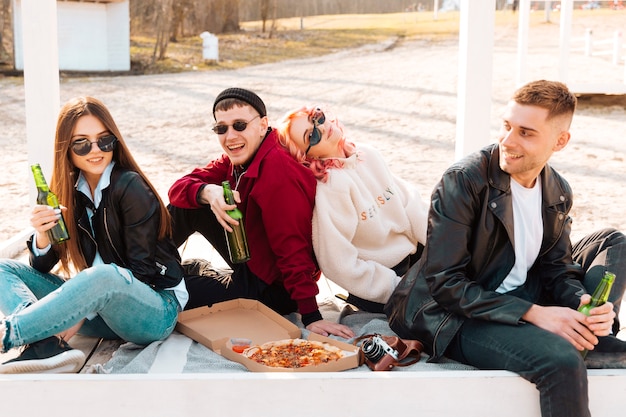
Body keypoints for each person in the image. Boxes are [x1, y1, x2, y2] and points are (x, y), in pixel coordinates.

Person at [385, 80, 626, 417]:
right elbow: (444, 284)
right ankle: (583, 341)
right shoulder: (463, 181)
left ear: (560, 141)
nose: (507, 141)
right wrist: (536, 313)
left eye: (526, 133)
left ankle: (589, 326)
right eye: (507, 126)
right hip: (451, 313)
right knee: (560, 359)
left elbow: (558, 269)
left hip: (519, 292)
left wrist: (583, 302)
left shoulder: (557, 191)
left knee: (614, 242)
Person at [0, 96, 188, 374]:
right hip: (103, 311)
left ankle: (12, 333)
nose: (96, 150)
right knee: (3, 267)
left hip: (154, 310)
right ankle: (44, 341)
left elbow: (141, 275)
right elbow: (40, 267)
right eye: (82, 143)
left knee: (102, 276)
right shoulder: (69, 192)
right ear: (65, 147)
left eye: (104, 140)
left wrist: (81, 303)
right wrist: (42, 236)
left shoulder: (130, 186)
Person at [168, 87, 354, 339]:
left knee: (171, 293)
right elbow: (178, 189)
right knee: (188, 202)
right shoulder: (239, 156)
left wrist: (310, 315)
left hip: (273, 290)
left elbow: (292, 245)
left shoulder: (277, 171)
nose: (230, 136)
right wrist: (207, 192)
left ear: (262, 124)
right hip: (251, 256)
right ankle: (145, 266)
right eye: (221, 128)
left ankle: (159, 277)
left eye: (240, 125)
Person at [276, 106, 428, 313]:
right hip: (383, 282)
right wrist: (396, 287)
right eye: (311, 136)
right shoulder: (332, 187)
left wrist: (442, 244)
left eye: (317, 118)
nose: (321, 127)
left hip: (415, 257)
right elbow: (338, 262)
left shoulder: (368, 153)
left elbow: (410, 204)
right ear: (306, 156)